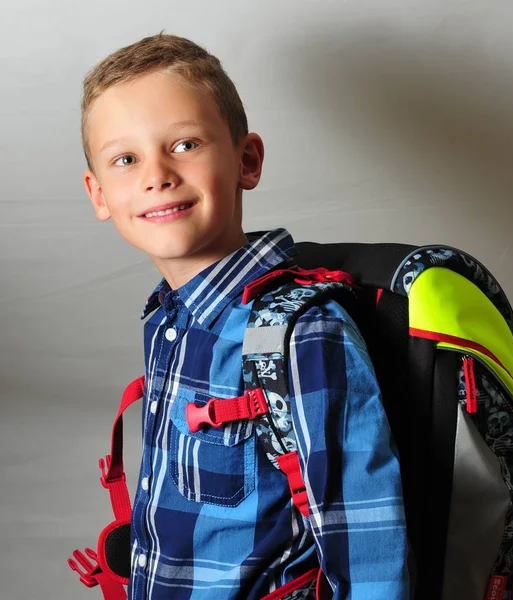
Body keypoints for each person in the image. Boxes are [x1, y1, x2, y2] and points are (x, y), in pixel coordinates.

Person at [81, 32, 409, 600]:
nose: (156, 174)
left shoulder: (302, 333)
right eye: (126, 159)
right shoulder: (166, 317)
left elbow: (369, 547)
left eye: (184, 144)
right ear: (100, 194)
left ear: (247, 160)